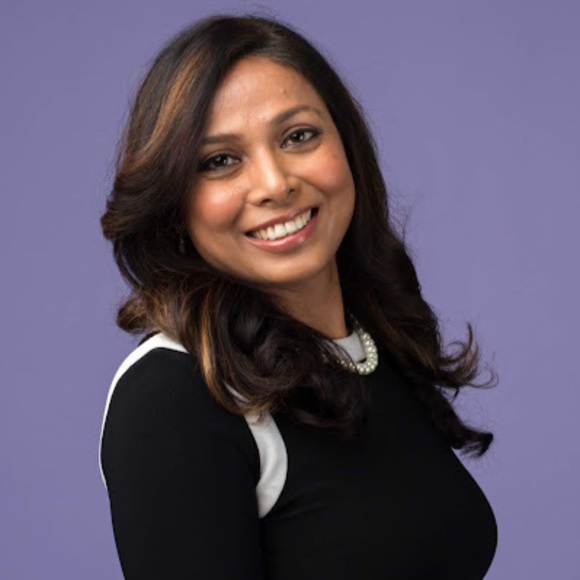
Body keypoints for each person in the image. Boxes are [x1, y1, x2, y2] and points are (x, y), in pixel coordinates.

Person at [98, 13, 498, 579]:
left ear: (347, 144)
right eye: (219, 161)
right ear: (173, 201)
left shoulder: (371, 343)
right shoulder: (174, 397)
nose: (275, 183)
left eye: (298, 136)